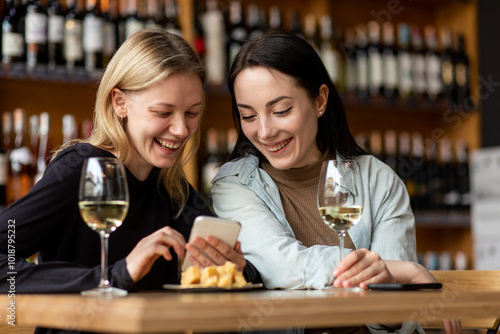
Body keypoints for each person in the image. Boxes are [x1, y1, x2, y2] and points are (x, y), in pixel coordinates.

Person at [211, 31, 460, 334]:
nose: (264, 131)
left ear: (320, 100)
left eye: (281, 111)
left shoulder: (378, 181)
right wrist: (403, 270)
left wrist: (391, 286)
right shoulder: (234, 185)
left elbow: (398, 317)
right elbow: (283, 267)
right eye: (248, 116)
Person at [0, 29, 259, 303]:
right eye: (163, 112)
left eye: (192, 113)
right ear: (120, 103)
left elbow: (248, 277)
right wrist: (117, 275)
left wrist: (238, 268)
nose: (181, 129)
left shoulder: (170, 188)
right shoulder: (79, 170)